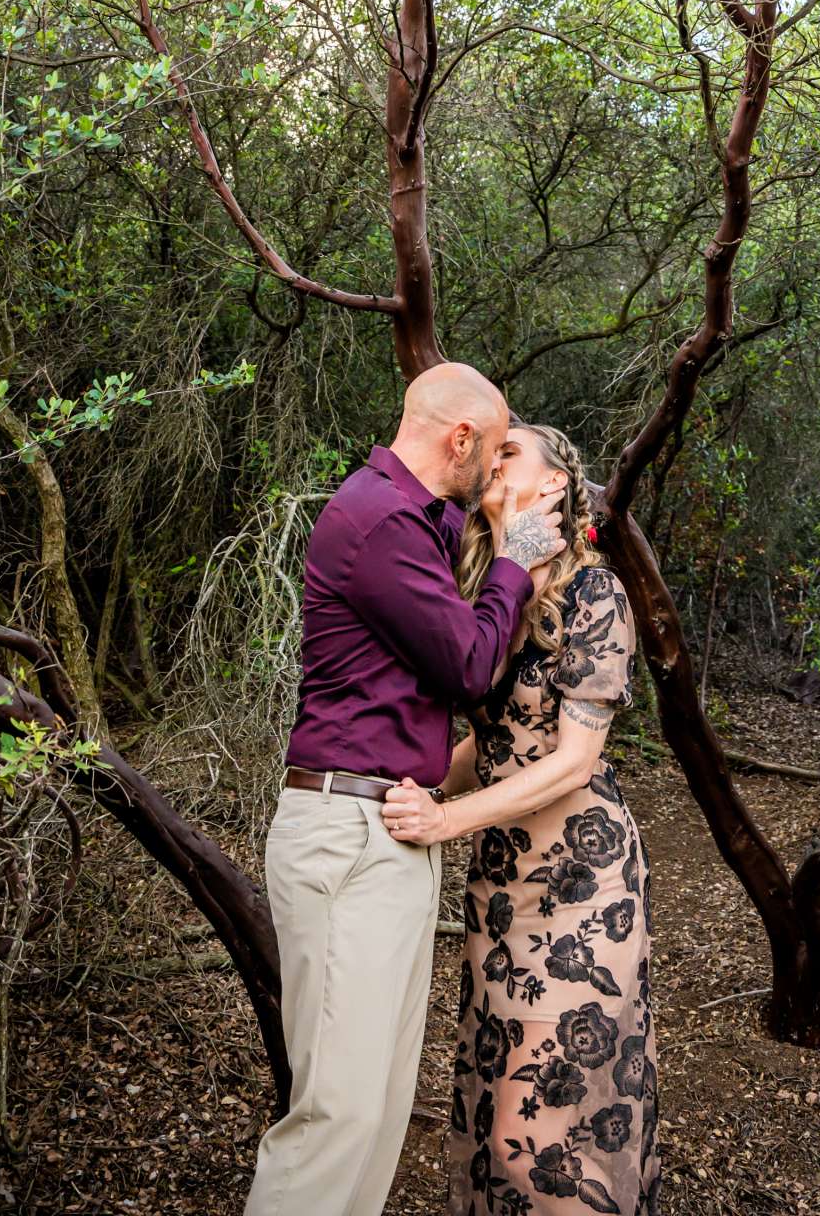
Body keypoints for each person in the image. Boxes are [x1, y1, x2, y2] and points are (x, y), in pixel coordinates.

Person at [245, 362, 567, 1216]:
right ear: (460, 439)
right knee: (338, 1112)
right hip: (347, 830)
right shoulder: (380, 517)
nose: (497, 470)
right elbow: (467, 663)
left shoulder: (416, 523)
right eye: (495, 452)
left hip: (387, 829)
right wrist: (522, 558)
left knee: (381, 1110)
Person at [384, 421, 660, 1216]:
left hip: (583, 885)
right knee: (500, 1124)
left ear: (555, 485)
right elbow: (491, 740)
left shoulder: (594, 593)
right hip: (501, 889)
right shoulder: (490, 591)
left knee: (532, 1141)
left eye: (509, 450)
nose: (490, 458)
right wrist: (412, 782)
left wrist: (445, 819)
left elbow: (572, 761)